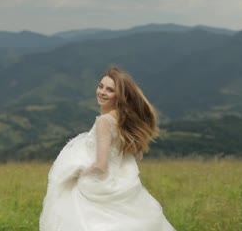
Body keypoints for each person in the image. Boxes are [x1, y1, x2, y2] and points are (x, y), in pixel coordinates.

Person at [39, 66, 175, 231]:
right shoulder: (124, 120)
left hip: (99, 183)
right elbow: (137, 155)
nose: (102, 92)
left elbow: (101, 165)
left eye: (109, 90)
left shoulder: (104, 122)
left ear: (119, 96)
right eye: (100, 86)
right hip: (119, 180)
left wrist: (78, 173)